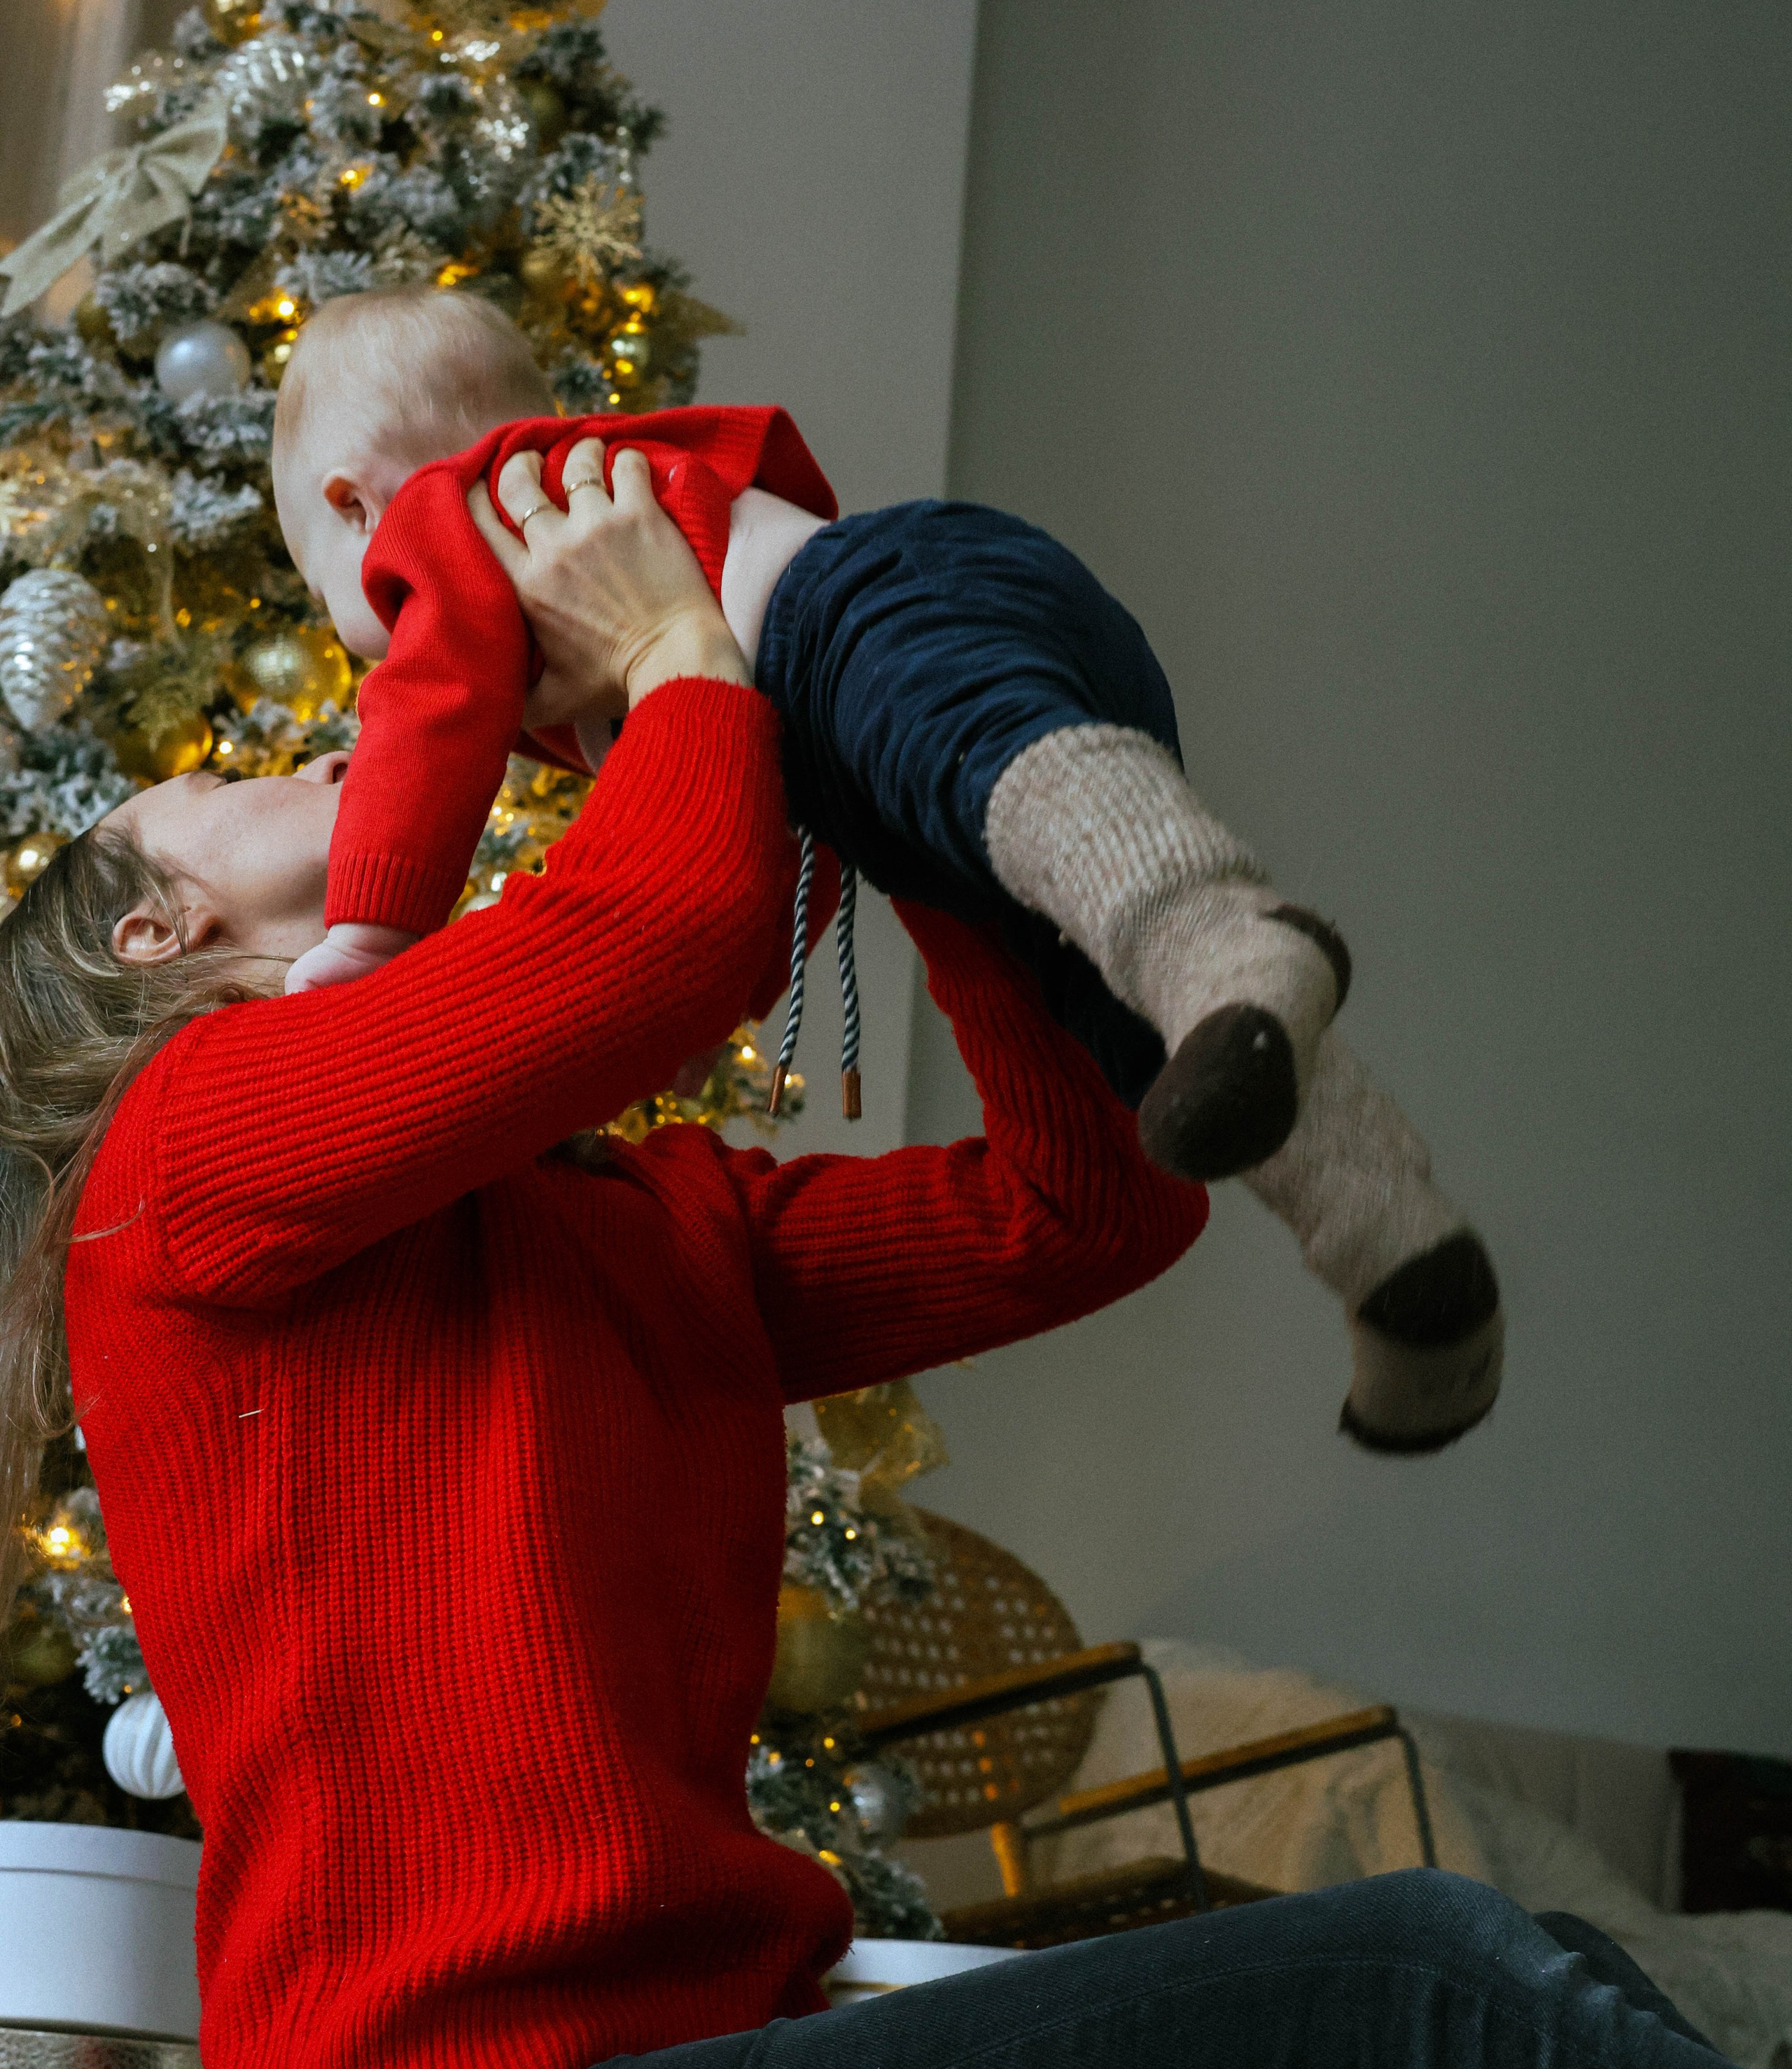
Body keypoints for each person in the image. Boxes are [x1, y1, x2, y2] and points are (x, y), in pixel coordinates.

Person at [0, 463, 1784, 2069]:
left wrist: (922, 810)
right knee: (1411, 2004)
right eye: (224, 781)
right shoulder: (177, 1158)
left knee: (1539, 1987)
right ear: (154, 933)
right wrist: (680, 646)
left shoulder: (641, 1220)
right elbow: (673, 927)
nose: (311, 754)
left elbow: (1088, 1210)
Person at [270, 288, 1502, 1454]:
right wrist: (717, 1000)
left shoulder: (452, 515)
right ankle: (1399, 1259)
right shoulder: (597, 553)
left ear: (354, 504)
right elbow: (771, 825)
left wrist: (373, 931)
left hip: (869, 615)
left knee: (1069, 839)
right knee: (1134, 1032)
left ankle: (1221, 929)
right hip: (930, 682)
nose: (371, 640)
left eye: (335, 603)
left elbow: (426, 725)